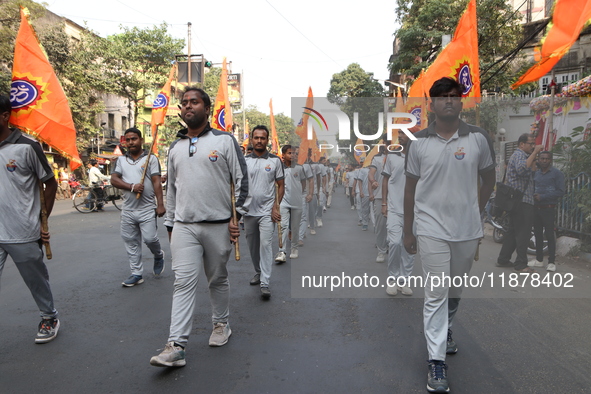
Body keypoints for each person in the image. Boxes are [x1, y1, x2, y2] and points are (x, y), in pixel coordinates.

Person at [403, 77, 495, 393]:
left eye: (454, 96)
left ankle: (447, 327)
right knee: (436, 292)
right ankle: (436, 362)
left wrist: (476, 211)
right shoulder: (417, 143)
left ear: (461, 101)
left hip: (466, 230)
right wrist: (408, 230)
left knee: (455, 290)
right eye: (442, 97)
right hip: (430, 229)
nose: (449, 101)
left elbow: (489, 178)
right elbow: (410, 188)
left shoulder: (478, 139)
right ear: (432, 103)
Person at [150, 87, 248, 367]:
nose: (188, 107)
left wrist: (235, 216)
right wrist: (169, 224)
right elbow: (172, 190)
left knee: (216, 278)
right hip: (184, 226)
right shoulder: (175, 146)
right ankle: (176, 345)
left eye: (194, 102)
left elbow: (241, 181)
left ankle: (221, 324)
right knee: (182, 282)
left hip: (218, 225)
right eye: (184, 104)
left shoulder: (225, 140)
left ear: (206, 108)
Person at [0, 94, 60, 343]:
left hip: (22, 230)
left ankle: (49, 317)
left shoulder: (27, 146)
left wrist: (40, 220)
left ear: (4, 116)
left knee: (35, 279)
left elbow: (50, 183)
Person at [110, 127, 166, 287]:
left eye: (134, 139)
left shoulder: (151, 158)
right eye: (127, 140)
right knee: (130, 241)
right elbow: (114, 179)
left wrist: (160, 204)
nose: (130, 142)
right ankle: (136, 273)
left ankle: (158, 254)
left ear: (141, 140)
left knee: (150, 238)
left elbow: (156, 181)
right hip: (128, 209)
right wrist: (131, 187)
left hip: (147, 208)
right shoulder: (120, 160)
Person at [244, 125, 284, 299]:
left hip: (267, 212)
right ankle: (258, 271)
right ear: (252, 139)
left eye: (263, 138)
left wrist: (276, 206)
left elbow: (281, 185)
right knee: (253, 247)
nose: (259, 141)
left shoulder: (275, 161)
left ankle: (265, 283)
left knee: (266, 245)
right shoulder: (244, 161)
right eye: (256, 137)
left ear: (267, 140)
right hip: (248, 211)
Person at [496, 133, 543, 272]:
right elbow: (522, 170)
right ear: (521, 144)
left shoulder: (524, 156)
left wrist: (533, 157)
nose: (533, 146)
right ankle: (521, 264)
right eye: (530, 144)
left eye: (533, 144)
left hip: (521, 200)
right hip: (521, 201)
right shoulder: (519, 155)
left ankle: (503, 259)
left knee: (512, 231)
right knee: (523, 232)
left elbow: (531, 172)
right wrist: (534, 153)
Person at [382, 132, 415, 295]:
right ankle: (393, 279)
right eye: (399, 134)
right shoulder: (392, 156)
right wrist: (384, 202)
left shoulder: (418, 157)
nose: (400, 137)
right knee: (394, 243)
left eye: (404, 134)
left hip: (414, 211)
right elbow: (385, 180)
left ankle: (404, 281)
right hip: (394, 208)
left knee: (409, 247)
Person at [529, 151, 564, 272]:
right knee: (537, 234)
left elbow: (561, 191)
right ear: (538, 160)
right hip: (536, 208)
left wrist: (543, 197)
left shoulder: (556, 174)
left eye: (547, 159)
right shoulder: (536, 174)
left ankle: (551, 262)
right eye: (542, 158)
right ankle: (539, 260)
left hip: (548, 208)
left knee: (549, 235)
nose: (544, 161)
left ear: (551, 160)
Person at [276, 145, 309, 261]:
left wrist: (299, 194)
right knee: (283, 226)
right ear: (283, 155)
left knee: (294, 227)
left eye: (295, 153)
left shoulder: (299, 168)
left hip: (296, 202)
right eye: (290, 153)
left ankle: (294, 249)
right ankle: (282, 251)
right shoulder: (279, 168)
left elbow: (303, 182)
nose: (293, 155)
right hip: (283, 202)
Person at [368, 137, 388, 263]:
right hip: (380, 196)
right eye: (387, 142)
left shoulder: (404, 156)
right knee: (381, 227)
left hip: (397, 198)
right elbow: (371, 173)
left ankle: (392, 246)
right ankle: (381, 251)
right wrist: (373, 181)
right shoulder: (377, 159)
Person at [353, 160, 370, 231]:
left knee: (373, 210)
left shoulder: (375, 169)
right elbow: (359, 181)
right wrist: (361, 191)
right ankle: (365, 223)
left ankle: (375, 225)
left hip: (375, 193)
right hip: (365, 192)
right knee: (365, 208)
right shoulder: (362, 170)